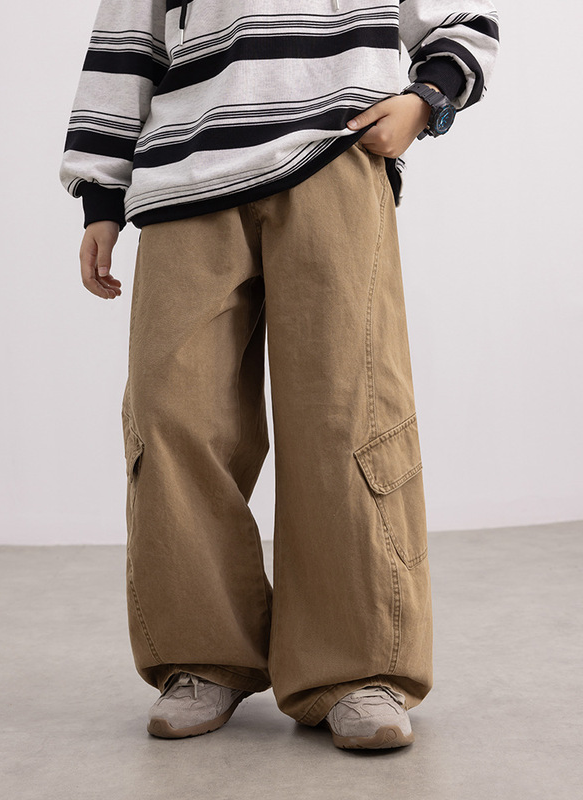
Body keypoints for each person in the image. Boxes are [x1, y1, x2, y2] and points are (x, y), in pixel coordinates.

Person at [59, 0, 499, 750]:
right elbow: (125, 41)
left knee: (346, 411)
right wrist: (101, 194)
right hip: (184, 177)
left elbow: (464, 20)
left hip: (334, 155)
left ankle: (359, 668)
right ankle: (202, 657)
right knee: (172, 416)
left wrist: (427, 101)